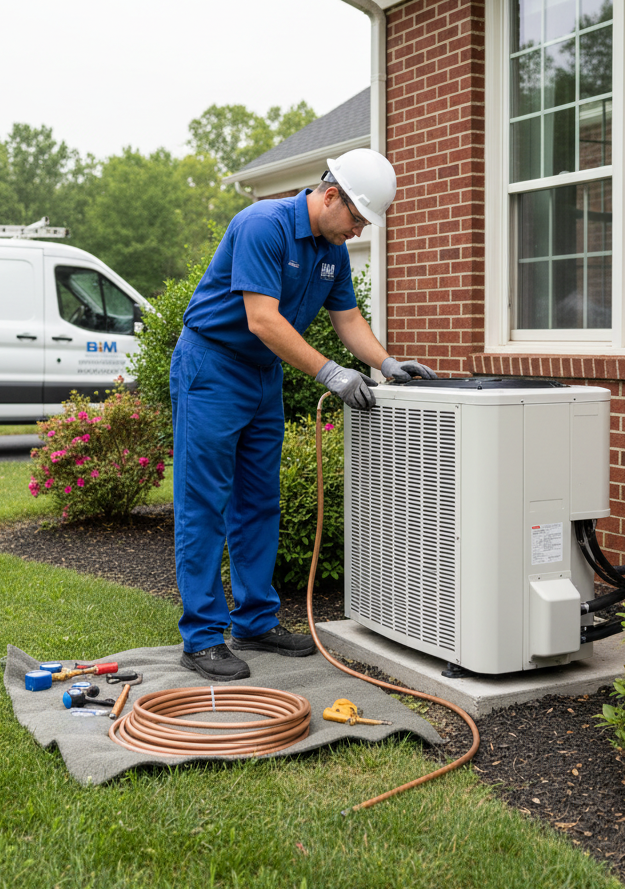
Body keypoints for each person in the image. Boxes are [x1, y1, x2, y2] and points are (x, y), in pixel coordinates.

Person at [170, 148, 437, 681]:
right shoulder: (261, 226)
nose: (358, 232)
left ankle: (254, 621)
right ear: (331, 195)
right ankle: (201, 638)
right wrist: (332, 374)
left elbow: (348, 317)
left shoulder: (332, 252)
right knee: (203, 504)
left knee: (258, 502)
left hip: (262, 376)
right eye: (357, 219)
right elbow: (262, 320)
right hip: (212, 366)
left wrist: (385, 362)